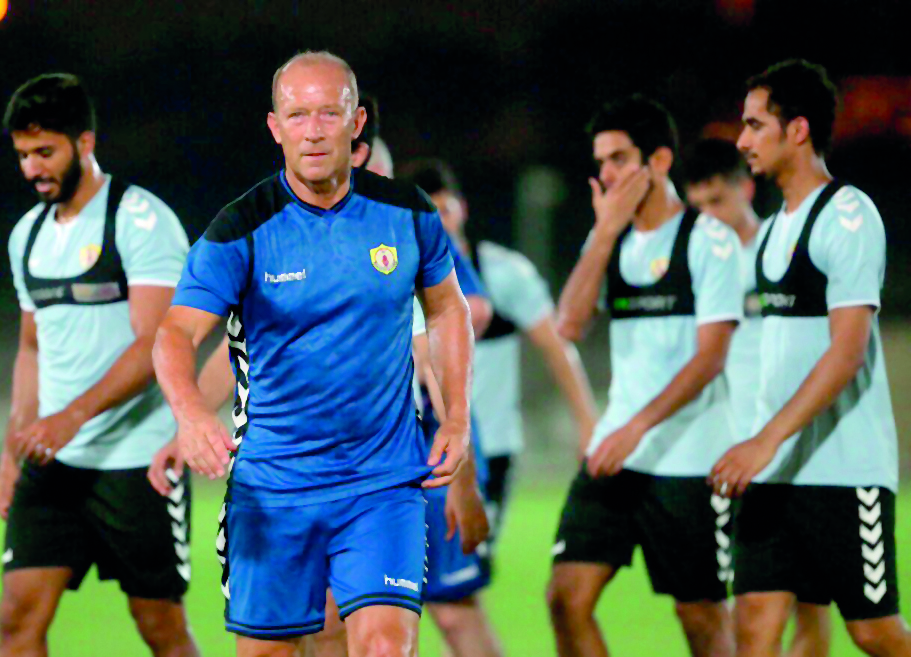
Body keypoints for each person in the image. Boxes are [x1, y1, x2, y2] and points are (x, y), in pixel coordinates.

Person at [152, 51, 474, 657]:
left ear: (357, 123)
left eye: (330, 112)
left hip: (383, 484)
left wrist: (456, 414)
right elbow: (175, 334)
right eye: (297, 115)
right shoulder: (239, 229)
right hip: (273, 491)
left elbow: (448, 308)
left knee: (384, 648)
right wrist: (191, 415)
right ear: (275, 127)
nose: (314, 129)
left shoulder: (407, 214)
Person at [711, 59, 911, 657]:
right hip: (773, 478)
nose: (742, 139)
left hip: (845, 474)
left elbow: (847, 353)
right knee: (754, 630)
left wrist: (765, 439)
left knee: (874, 632)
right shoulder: (774, 230)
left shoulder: (849, 216)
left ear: (797, 129)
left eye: (754, 124)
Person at [0, 73, 199, 657]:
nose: (33, 168)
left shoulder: (140, 219)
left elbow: (157, 342)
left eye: (45, 151)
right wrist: (17, 443)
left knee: (159, 627)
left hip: (136, 460)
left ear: (84, 143)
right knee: (17, 623)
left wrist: (73, 416)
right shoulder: (26, 236)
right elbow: (31, 348)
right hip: (54, 463)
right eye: (22, 155)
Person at [549, 95, 743, 657]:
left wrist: (636, 428)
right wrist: (604, 232)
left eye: (618, 159)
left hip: (688, 460)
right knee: (566, 597)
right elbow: (569, 322)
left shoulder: (708, 240)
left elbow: (710, 358)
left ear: (659, 161)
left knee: (701, 616)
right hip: (617, 454)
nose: (605, 173)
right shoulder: (612, 239)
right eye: (600, 162)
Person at [684, 138, 832, 657]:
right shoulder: (701, 265)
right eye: (697, 207)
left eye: (717, 202)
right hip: (737, 455)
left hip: (801, 448)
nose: (708, 217)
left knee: (812, 608)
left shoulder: (780, 246)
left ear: (745, 188)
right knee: (748, 611)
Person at [404, 159, 600, 544]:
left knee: (459, 585)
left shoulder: (503, 272)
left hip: (489, 445)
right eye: (428, 213)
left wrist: (588, 423)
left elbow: (556, 347)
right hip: (416, 448)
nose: (438, 222)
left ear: (463, 208)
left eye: (444, 209)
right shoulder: (397, 275)